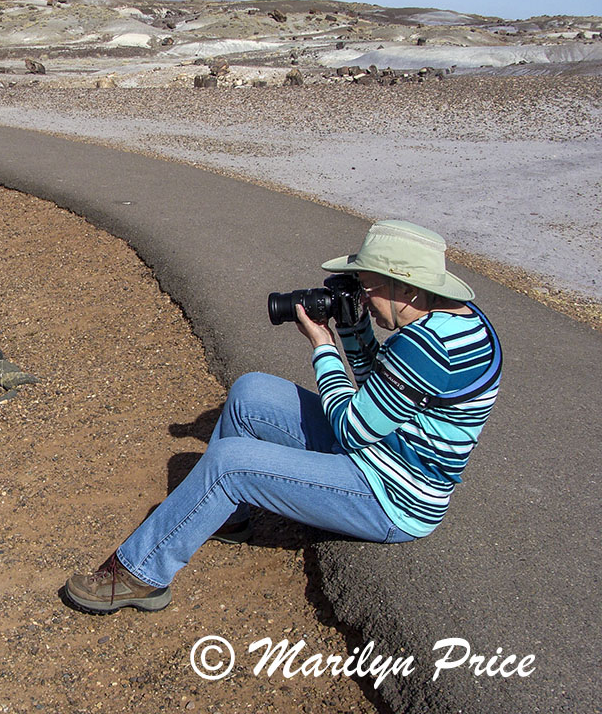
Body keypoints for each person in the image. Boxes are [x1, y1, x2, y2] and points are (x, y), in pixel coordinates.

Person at [64, 220, 502, 614]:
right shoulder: (458, 321)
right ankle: (229, 519)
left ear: (405, 287)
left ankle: (138, 574)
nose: (362, 298)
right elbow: (380, 391)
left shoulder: (430, 348)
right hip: (380, 451)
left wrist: (323, 345)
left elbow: (354, 428)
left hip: (392, 497)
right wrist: (353, 328)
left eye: (365, 288)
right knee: (251, 390)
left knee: (229, 464)